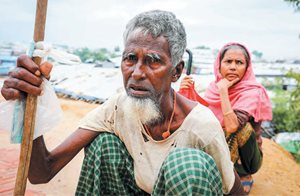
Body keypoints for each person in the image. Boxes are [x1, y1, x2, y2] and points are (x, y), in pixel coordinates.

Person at [1, 11, 246, 195]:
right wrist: (30, 104)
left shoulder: (200, 125)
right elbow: (42, 171)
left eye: (153, 61)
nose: (137, 72)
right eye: (130, 58)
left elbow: (233, 190)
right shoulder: (118, 108)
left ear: (176, 71)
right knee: (104, 144)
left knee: (187, 165)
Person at [180, 42, 272, 194]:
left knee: (241, 128)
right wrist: (186, 91)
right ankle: (216, 172)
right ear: (219, 64)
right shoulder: (213, 87)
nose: (233, 67)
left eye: (239, 62)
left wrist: (223, 91)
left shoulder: (252, 91)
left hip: (248, 161)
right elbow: (201, 113)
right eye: (228, 61)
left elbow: (231, 126)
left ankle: (240, 175)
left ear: (247, 67)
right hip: (221, 151)